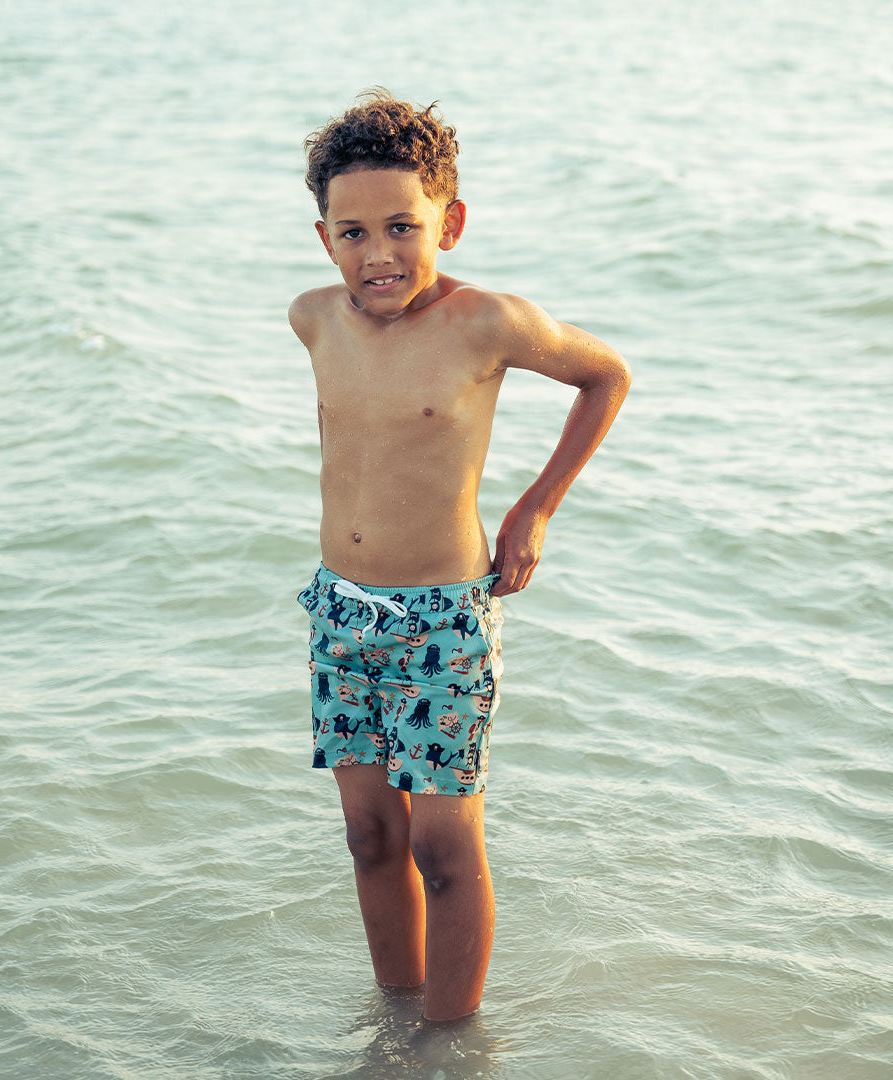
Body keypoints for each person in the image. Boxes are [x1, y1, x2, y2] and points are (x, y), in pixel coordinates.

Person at [289, 89, 630, 1022]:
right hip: (339, 612)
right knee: (368, 835)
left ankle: (451, 1045)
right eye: (353, 232)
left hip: (444, 618)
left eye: (403, 226)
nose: (379, 253)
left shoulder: (487, 323)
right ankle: (395, 1019)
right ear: (324, 239)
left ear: (452, 221)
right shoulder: (313, 319)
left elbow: (607, 375)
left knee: (442, 848)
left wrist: (535, 510)